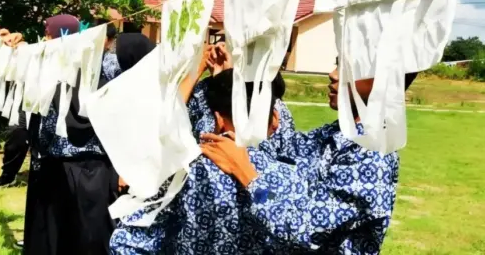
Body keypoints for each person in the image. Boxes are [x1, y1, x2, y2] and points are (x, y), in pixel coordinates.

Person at [201, 60, 417, 253]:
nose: (333, 74)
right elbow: (280, 152)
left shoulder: (372, 155)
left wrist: (246, 173)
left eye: (349, 68)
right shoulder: (338, 134)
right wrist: (229, 81)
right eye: (338, 63)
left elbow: (306, 231)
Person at [110, 57, 294, 254]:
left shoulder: (186, 169)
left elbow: (129, 239)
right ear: (275, 120)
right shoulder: (290, 177)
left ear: (217, 120)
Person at [22, 26, 140, 255]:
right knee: (91, 234)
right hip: (97, 173)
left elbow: (43, 134)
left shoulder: (55, 89)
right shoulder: (107, 87)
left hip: (58, 171)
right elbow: (119, 132)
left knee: (59, 232)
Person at [0, 20, 118, 190]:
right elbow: (26, 54)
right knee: (20, 136)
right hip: (37, 110)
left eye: (49, 34)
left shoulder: (96, 60)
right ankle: (9, 174)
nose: (45, 37)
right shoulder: (51, 52)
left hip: (73, 128)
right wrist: (10, 41)